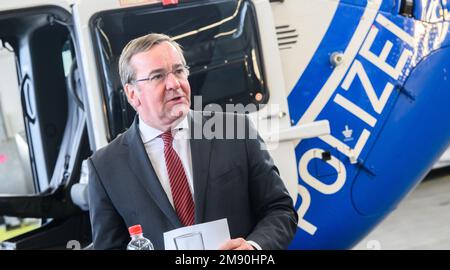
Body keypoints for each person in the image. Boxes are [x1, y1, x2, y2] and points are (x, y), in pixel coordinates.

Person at [88, 33, 298, 250]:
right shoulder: (105, 167)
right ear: (132, 94)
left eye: (179, 71)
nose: (174, 83)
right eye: (158, 76)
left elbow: (280, 210)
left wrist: (253, 248)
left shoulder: (235, 131)